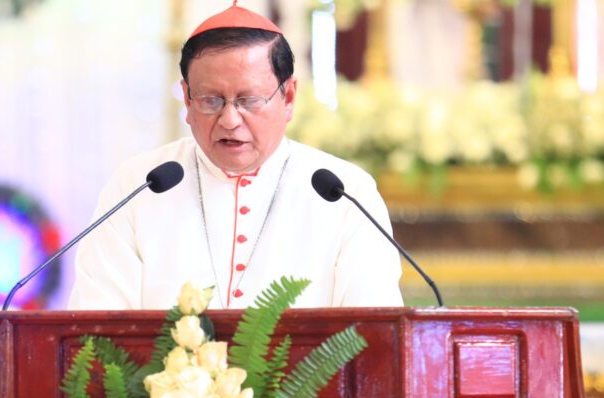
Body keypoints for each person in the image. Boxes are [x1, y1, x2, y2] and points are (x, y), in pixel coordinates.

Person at [68, 1, 402, 310]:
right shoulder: (136, 186)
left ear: (288, 97)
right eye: (210, 100)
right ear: (187, 99)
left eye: (249, 100)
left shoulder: (346, 193)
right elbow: (96, 327)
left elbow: (373, 331)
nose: (229, 120)